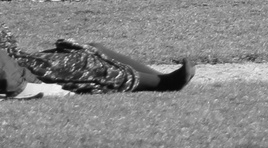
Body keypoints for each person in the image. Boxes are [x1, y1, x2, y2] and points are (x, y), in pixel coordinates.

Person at [2, 29, 192, 97]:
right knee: (83, 62)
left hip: (16, 59)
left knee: (90, 47)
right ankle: (163, 84)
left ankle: (161, 78)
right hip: (14, 68)